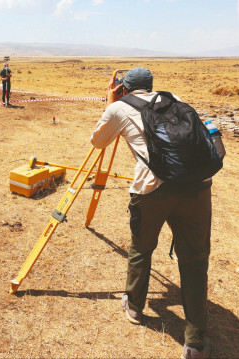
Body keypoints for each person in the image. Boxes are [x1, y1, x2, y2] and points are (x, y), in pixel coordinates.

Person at [90, 67, 212, 359]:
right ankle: (195, 342)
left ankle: (134, 306)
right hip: (197, 188)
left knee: (142, 249)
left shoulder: (119, 107)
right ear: (151, 85)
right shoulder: (174, 99)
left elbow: (97, 142)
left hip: (152, 189)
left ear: (123, 86)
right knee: (195, 261)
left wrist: (111, 101)